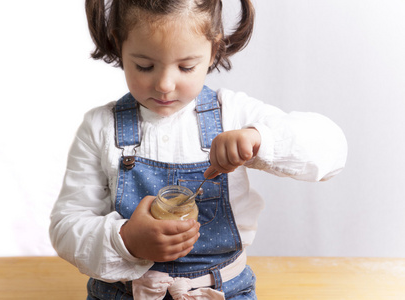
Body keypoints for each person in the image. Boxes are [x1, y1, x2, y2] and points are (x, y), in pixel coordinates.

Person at [49, 0, 348, 299]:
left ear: (213, 51)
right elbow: (66, 227)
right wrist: (126, 240)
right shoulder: (100, 128)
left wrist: (260, 140)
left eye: (186, 66)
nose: (165, 85)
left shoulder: (233, 114)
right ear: (119, 44)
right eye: (145, 66)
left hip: (222, 290)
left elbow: (332, 150)